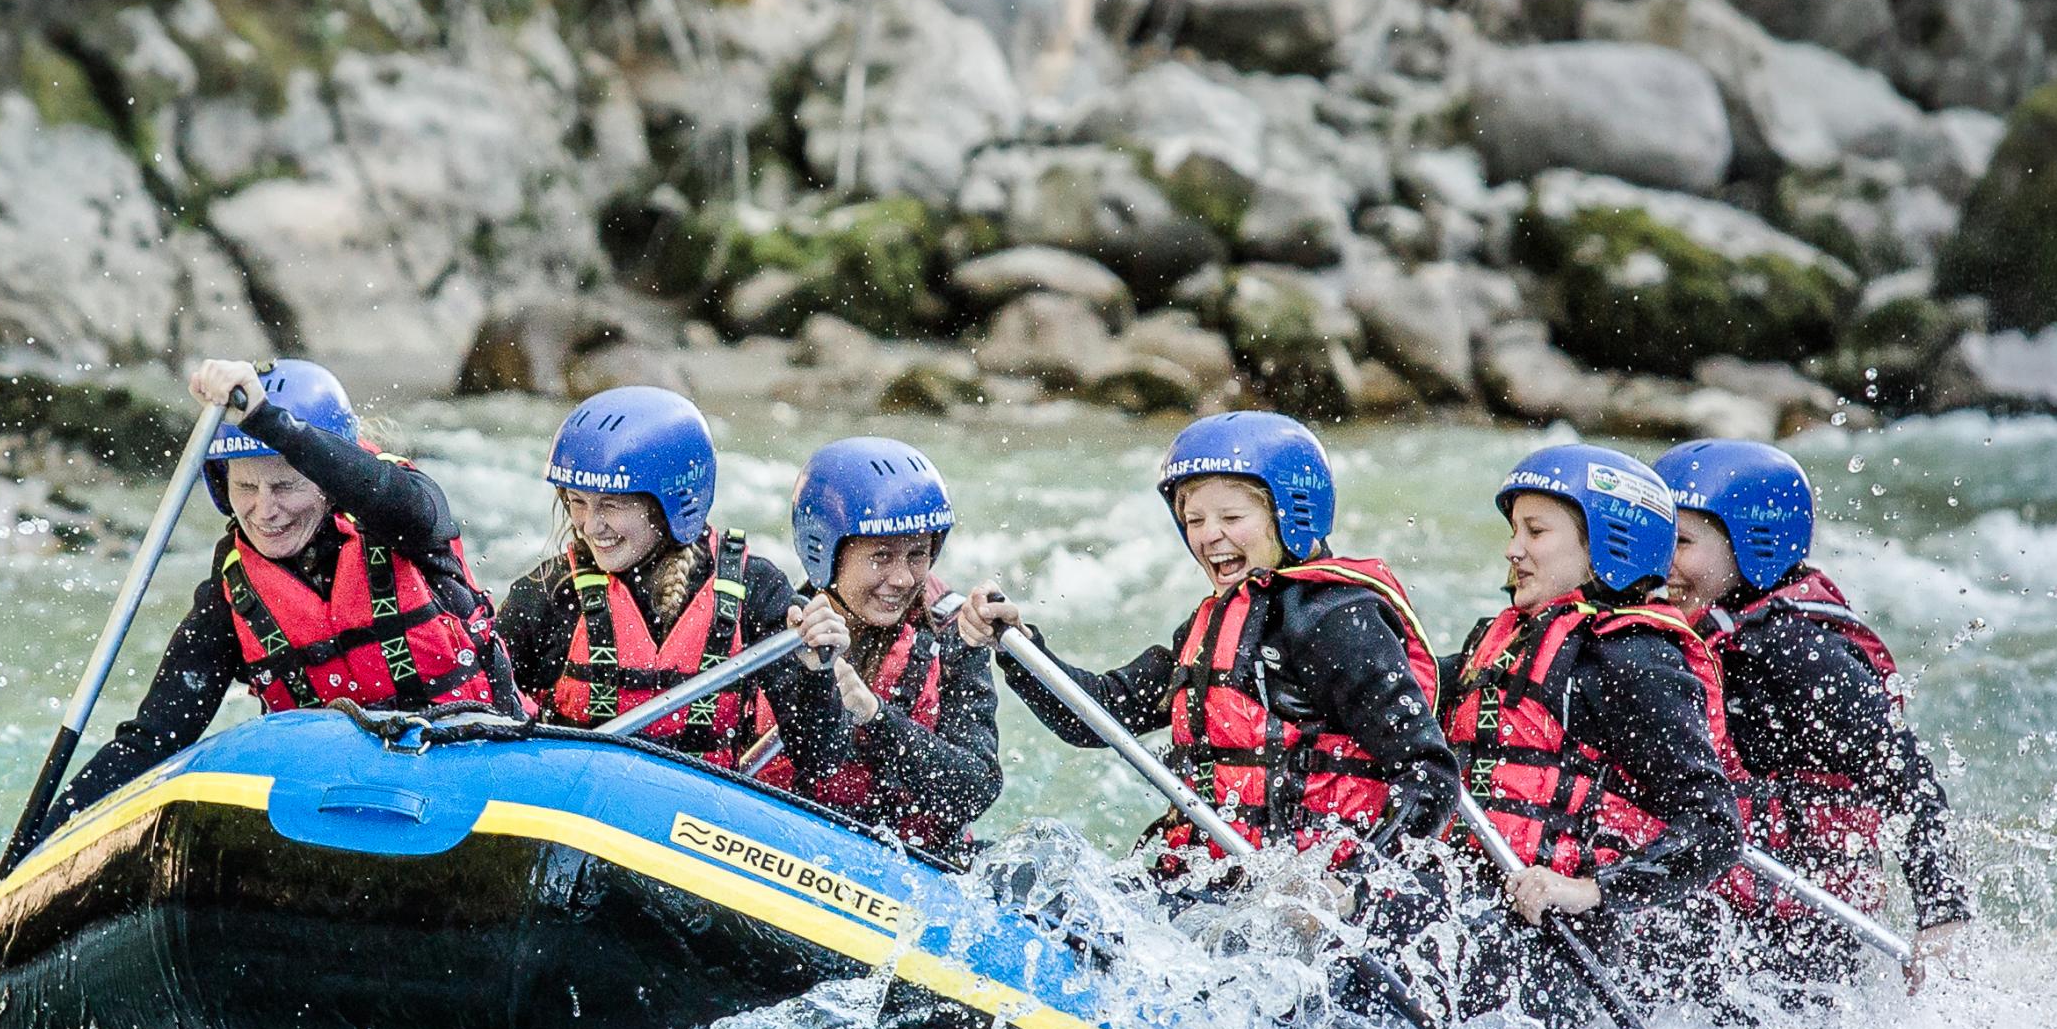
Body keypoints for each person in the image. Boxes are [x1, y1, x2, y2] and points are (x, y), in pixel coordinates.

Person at [960, 411, 1454, 879]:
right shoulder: (1217, 626)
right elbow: (1101, 715)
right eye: (1194, 520)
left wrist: (1349, 887)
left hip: (1315, 898)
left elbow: (1430, 775)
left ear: (1292, 515)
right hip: (1213, 884)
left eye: (1231, 517)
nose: (1209, 536)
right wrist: (1018, 647)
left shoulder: (1338, 622)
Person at [36, 358, 512, 839]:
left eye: (284, 485)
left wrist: (267, 420)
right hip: (334, 804)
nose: (265, 511)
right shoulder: (232, 591)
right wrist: (31, 851)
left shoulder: (406, 514)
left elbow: (390, 497)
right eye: (246, 486)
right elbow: (153, 741)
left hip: (471, 773)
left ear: (327, 480)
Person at [1657, 439, 1972, 990]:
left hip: (1801, 938)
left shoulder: (1801, 650)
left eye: (1681, 542)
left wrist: (1942, 913)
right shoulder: (1681, 634)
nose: (1664, 563)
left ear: (1753, 543)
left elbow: (1904, 777)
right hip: (1717, 911)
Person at [1441, 443, 1744, 995]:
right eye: (1514, 531)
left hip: (1562, 944)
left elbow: (1715, 828)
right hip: (1471, 903)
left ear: (1607, 542)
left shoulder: (1635, 660)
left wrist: (1588, 889)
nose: (1513, 549)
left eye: (1536, 532)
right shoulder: (1502, 642)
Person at [498, 385, 847, 780]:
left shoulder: (756, 590)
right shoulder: (548, 594)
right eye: (578, 501)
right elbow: (485, 718)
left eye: (610, 504)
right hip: (570, 803)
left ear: (669, 504)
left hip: (699, 812)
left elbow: (822, 759)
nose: (591, 526)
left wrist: (817, 673)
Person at [762, 438, 1003, 857]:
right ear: (827, 551)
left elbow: (976, 790)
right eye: (881, 557)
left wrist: (875, 717)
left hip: (917, 865)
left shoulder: (954, 638)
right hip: (786, 851)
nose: (904, 579)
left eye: (917, 555)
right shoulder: (773, 624)